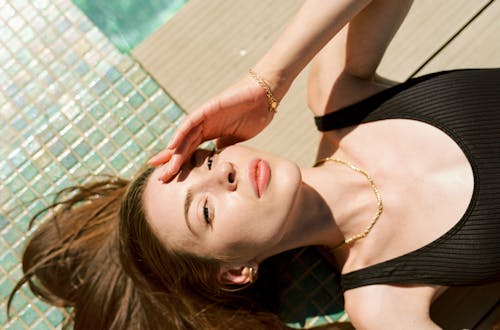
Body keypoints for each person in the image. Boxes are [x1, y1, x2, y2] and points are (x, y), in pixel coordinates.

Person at [9, 1, 500, 329]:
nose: (222, 175)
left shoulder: (339, 98)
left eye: (205, 160)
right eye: (204, 211)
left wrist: (268, 80)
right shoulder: (380, 300)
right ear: (236, 272)